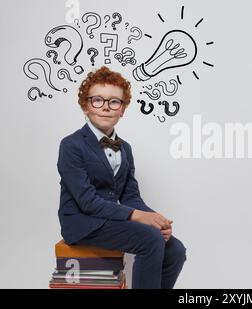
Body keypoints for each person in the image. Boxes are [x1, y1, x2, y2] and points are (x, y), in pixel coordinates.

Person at [56, 66, 186, 289]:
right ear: (86, 106)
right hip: (82, 223)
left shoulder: (125, 148)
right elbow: (87, 202)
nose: (106, 107)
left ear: (122, 109)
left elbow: (130, 197)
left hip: (110, 219)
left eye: (114, 102)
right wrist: (137, 217)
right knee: (150, 239)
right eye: (98, 100)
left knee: (175, 249)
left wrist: (156, 219)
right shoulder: (71, 145)